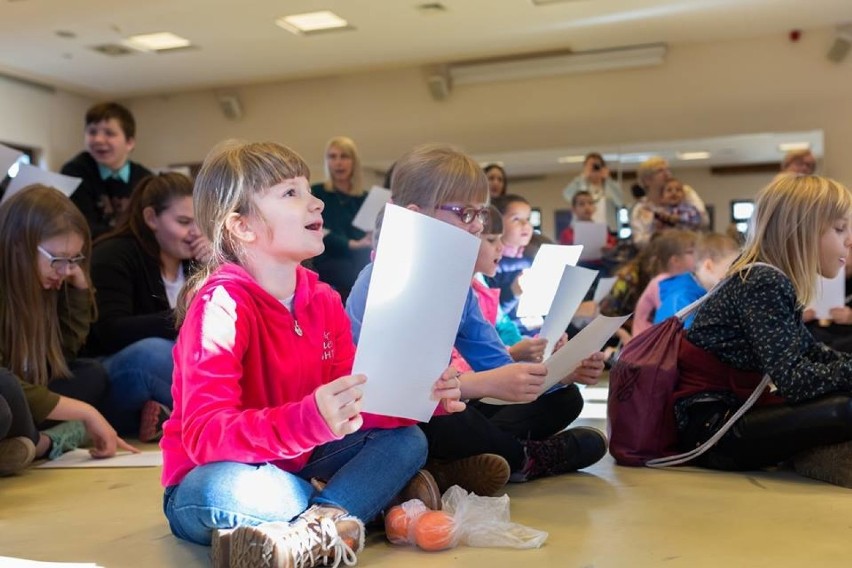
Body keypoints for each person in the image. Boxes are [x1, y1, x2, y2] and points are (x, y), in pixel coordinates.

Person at [161, 140, 465, 567]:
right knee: (221, 490)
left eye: (308, 189)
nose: (316, 202)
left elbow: (358, 403)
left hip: (301, 463)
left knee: (406, 439)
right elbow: (204, 436)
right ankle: (355, 505)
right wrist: (310, 419)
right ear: (242, 227)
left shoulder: (323, 298)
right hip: (219, 475)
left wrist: (423, 393)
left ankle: (319, 525)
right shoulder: (221, 307)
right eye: (291, 193)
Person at [346, 144, 607, 489]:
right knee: (446, 421)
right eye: (464, 213)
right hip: (390, 420)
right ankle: (524, 458)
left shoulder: (458, 285)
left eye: (480, 214)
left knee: (564, 398)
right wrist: (484, 384)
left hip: (443, 403)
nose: (477, 226)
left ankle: (458, 464)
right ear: (415, 216)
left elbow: (496, 363)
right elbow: (395, 393)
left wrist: (560, 373)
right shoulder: (386, 280)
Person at [672, 175, 852, 487]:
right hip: (714, 432)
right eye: (839, 229)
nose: (849, 239)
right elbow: (794, 379)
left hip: (724, 420)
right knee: (844, 408)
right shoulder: (763, 282)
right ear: (804, 231)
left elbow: (813, 354)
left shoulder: (768, 277)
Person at [0, 185, 137, 463]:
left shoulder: (47, 285)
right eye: (57, 260)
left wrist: (80, 293)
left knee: (91, 373)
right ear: (17, 243)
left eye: (74, 260)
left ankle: (26, 442)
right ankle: (41, 444)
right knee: (6, 395)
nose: (65, 271)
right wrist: (85, 412)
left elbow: (61, 356)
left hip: (26, 397)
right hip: (10, 394)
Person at [88, 172, 211, 442]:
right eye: (183, 222)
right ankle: (221, 421)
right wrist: (184, 317)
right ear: (151, 218)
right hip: (113, 368)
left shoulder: (195, 260)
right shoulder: (115, 254)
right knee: (159, 352)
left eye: (200, 223)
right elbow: (108, 330)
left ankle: (167, 415)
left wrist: (216, 266)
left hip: (171, 370)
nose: (195, 232)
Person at [61, 102, 153, 238]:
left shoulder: (146, 179)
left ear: (129, 143)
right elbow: (82, 226)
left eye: (109, 133)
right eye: (92, 132)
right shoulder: (75, 172)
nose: (98, 140)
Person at [310, 136, 373, 301]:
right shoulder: (316, 193)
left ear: (354, 162)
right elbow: (317, 229)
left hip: (360, 262)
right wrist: (352, 244)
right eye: (333, 157)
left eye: (344, 156)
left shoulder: (365, 197)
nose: (338, 162)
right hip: (329, 261)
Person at [654, 232, 740, 326]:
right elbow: (694, 337)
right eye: (730, 269)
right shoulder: (682, 299)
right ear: (709, 266)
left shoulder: (699, 292)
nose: (734, 275)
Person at [631, 229, 698, 337]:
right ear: (675, 260)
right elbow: (670, 316)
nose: (697, 256)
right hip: (646, 343)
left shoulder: (678, 281)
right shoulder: (662, 283)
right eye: (691, 252)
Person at [630, 157, 707, 246]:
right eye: (660, 171)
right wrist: (659, 236)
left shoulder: (686, 194)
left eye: (668, 170)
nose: (667, 174)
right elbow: (639, 241)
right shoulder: (641, 208)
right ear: (647, 180)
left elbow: (704, 220)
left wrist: (680, 219)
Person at [485, 194, 535, 333]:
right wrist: (513, 292)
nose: (525, 224)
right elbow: (489, 315)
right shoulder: (491, 264)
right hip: (509, 339)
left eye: (528, 219)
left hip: (534, 331)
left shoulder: (530, 260)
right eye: (516, 219)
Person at [562, 152, 624, 232]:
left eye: (597, 166)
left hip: (607, 230)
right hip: (582, 229)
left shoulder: (610, 185)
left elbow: (620, 202)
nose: (594, 168)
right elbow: (567, 195)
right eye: (591, 166)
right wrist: (583, 177)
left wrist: (608, 179)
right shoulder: (580, 184)